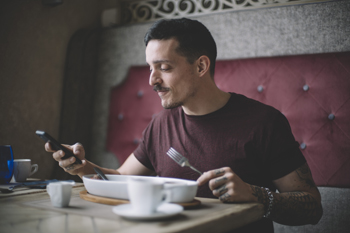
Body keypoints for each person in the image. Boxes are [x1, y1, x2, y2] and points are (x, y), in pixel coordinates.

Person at [46, 18, 323, 232]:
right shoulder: (160, 125)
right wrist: (84, 168)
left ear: (201, 66)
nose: (152, 81)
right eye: (149, 68)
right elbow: (120, 178)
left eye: (164, 68)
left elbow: (312, 207)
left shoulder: (264, 122)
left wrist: (255, 194)